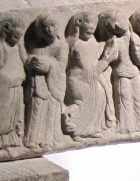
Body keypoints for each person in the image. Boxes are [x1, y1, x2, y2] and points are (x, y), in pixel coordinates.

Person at [63, 11, 111, 140]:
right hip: (78, 80)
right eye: (90, 23)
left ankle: (92, 129)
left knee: (100, 96)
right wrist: (106, 60)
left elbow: (93, 59)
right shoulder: (72, 43)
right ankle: (75, 128)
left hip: (92, 78)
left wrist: (106, 49)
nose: (93, 27)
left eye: (95, 25)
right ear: (79, 22)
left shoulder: (93, 41)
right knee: (81, 103)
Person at [23, 14, 69, 150]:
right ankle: (32, 140)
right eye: (45, 27)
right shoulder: (34, 44)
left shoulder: (62, 46)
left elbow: (61, 67)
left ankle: (49, 141)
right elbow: (27, 60)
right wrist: (31, 62)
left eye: (52, 26)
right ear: (40, 30)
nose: (49, 30)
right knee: (36, 111)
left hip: (53, 86)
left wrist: (48, 64)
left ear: (57, 26)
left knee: (51, 112)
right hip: (37, 84)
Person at [0, 17, 27, 149]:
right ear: (6, 28)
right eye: (15, 37)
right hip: (0, 90)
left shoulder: (17, 46)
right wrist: (13, 79)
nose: (17, 40)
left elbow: (23, 63)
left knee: (13, 120)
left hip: (15, 90)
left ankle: (11, 142)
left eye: (19, 37)